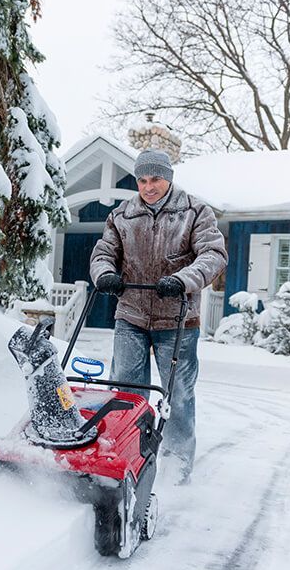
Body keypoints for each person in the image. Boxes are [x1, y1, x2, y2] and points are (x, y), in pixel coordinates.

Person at [89, 149, 227, 483]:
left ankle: (177, 469)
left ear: (169, 177)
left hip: (178, 319)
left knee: (177, 395)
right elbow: (103, 253)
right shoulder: (122, 214)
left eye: (156, 179)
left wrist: (182, 280)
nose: (149, 187)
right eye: (143, 180)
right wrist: (104, 274)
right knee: (126, 392)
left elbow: (214, 254)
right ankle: (125, 457)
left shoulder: (195, 212)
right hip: (131, 315)